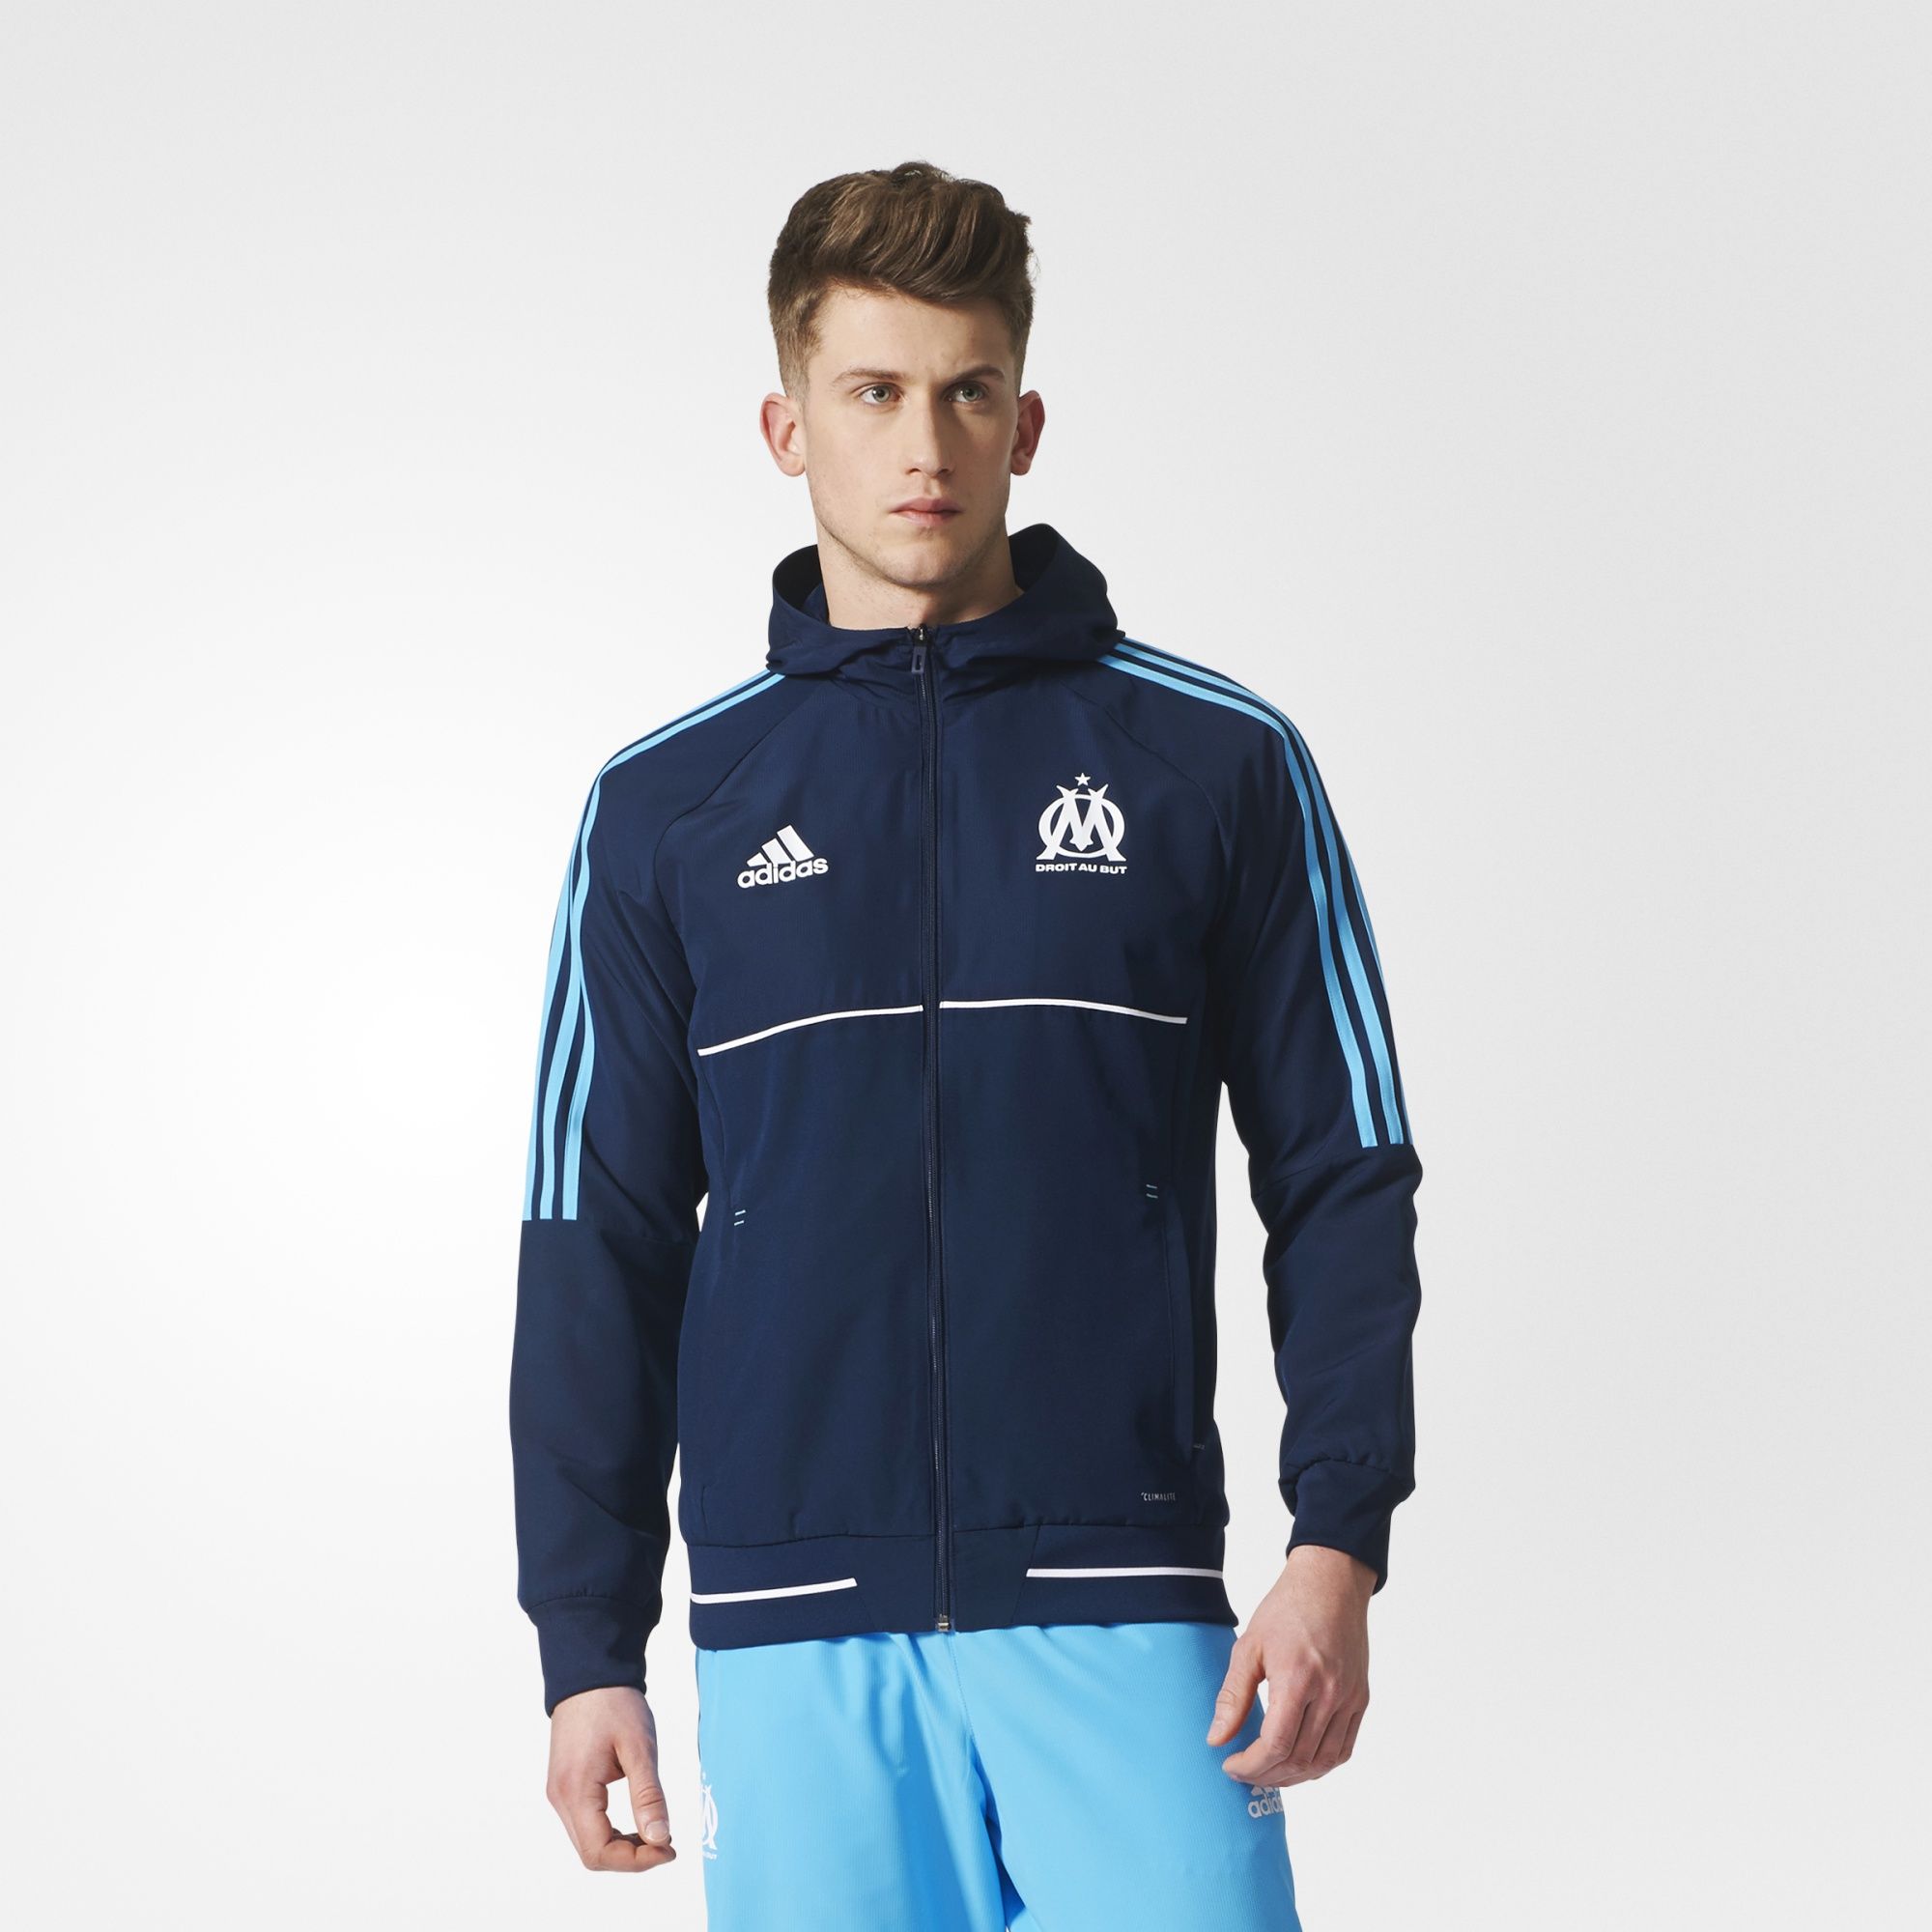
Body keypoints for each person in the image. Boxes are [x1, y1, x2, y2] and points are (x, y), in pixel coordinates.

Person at [509, 158, 1423, 1930]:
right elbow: (593, 1239)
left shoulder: (1215, 767)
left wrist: (1338, 1541)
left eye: (967, 391)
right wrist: (584, 1644)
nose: (924, 445)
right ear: (786, 426)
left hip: (1127, 1605)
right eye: (873, 392)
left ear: (1027, 419)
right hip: (795, 1631)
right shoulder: (668, 809)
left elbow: (1343, 1173)